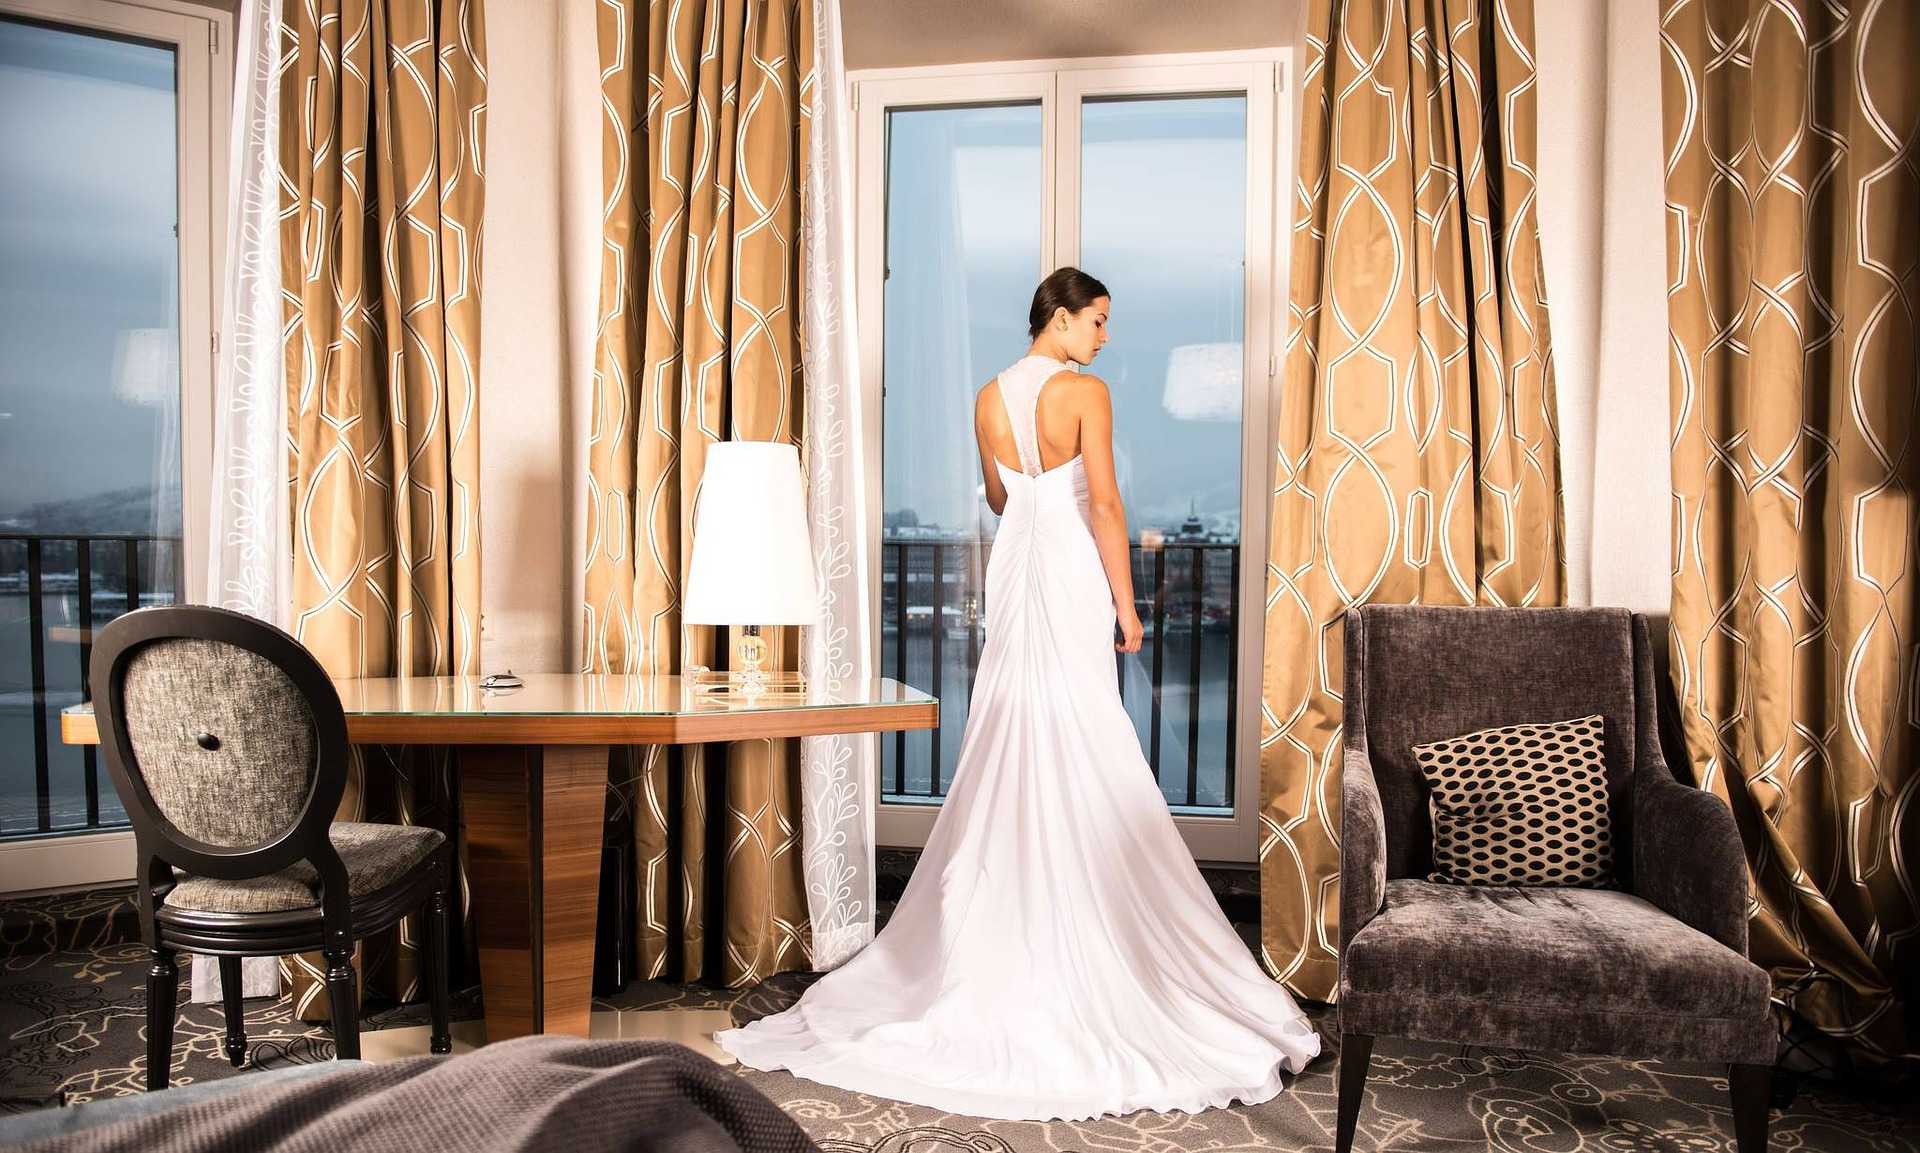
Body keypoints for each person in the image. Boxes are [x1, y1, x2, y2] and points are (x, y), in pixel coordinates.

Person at [714, 268, 1320, 1122]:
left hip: (1017, 564)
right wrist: (1126, 603)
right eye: (1099, 321)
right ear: (1062, 319)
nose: (1105, 337)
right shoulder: (1085, 392)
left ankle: (1007, 906)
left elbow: (999, 498)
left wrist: (1029, 490)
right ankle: (1079, 908)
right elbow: (1105, 502)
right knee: (1081, 722)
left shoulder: (987, 396)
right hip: (1068, 565)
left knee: (1014, 726)